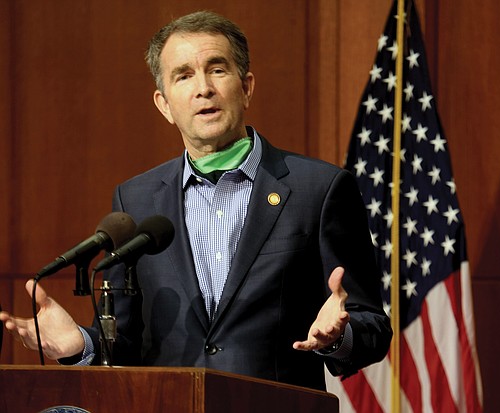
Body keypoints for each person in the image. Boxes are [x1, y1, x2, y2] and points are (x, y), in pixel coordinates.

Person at [0, 10, 391, 391]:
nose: (203, 87)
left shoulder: (319, 189)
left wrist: (337, 337)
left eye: (217, 69)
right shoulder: (135, 201)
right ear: (164, 104)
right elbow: (127, 343)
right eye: (183, 75)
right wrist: (80, 347)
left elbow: (371, 326)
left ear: (247, 86)